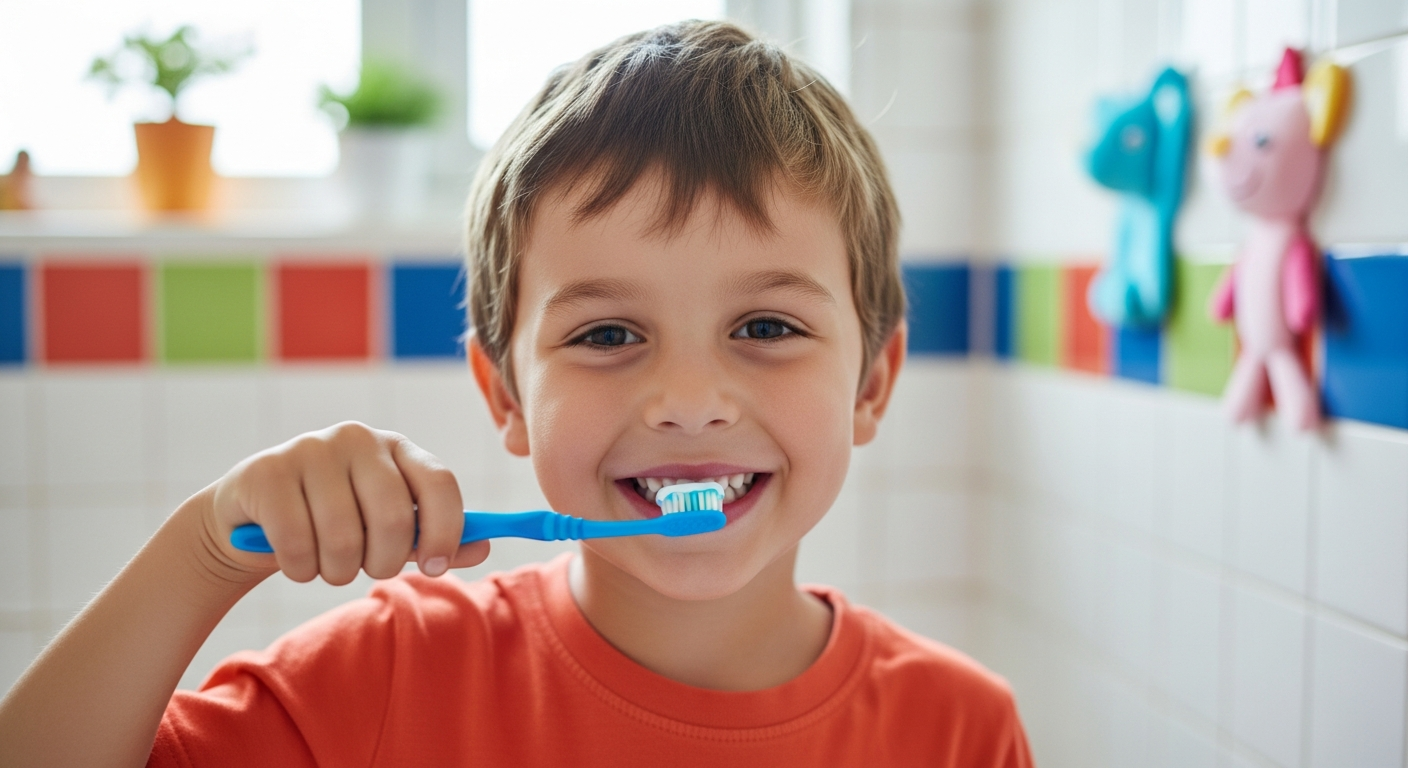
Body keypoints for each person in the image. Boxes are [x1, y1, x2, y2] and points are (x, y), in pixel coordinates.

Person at [0, 21, 1032, 766]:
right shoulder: (386, 680)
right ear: (505, 394)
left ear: (872, 380)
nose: (687, 399)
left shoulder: (957, 731)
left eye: (765, 327)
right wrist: (205, 549)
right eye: (606, 334)